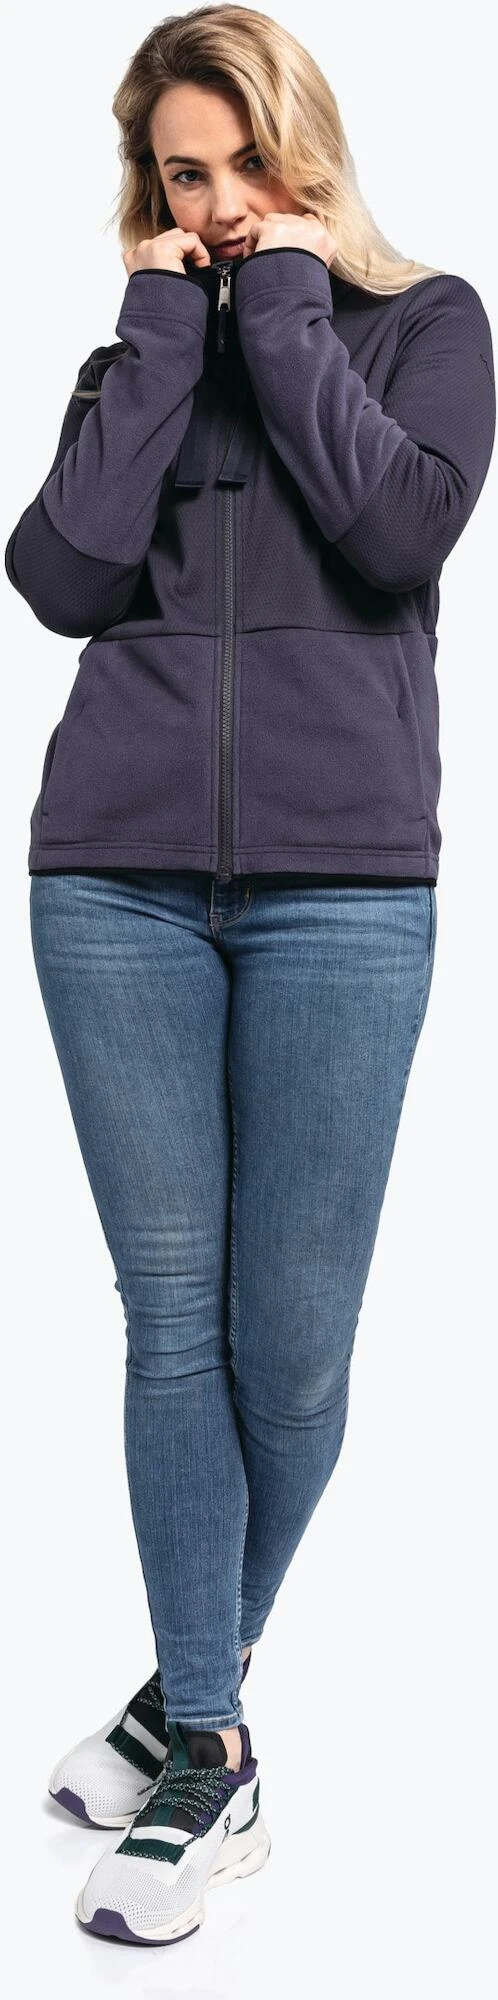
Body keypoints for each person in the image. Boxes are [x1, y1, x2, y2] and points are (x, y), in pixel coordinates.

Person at [5, 3, 495, 1952]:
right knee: (170, 1321)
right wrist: (160, 334)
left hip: (342, 892)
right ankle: (210, 1744)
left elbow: (393, 532)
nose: (215, 205)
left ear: (307, 151)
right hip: (111, 881)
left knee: (291, 1349)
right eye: (181, 175)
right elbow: (59, 576)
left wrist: (283, 303)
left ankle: (181, 1693)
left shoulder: (426, 326)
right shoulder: (140, 347)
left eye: (243, 164)